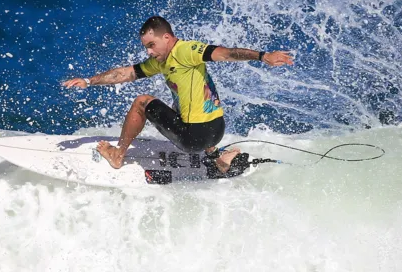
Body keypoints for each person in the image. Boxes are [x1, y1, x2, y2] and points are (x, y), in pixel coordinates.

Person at [62, 16, 293, 174]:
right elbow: (126, 73)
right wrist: (90, 81)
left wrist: (263, 56)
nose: (149, 52)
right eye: (146, 48)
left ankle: (118, 154)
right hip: (217, 131)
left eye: (152, 45)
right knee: (181, 99)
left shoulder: (186, 50)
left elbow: (227, 53)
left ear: (167, 37)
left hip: (194, 138)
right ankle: (219, 160)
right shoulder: (160, 61)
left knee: (142, 102)